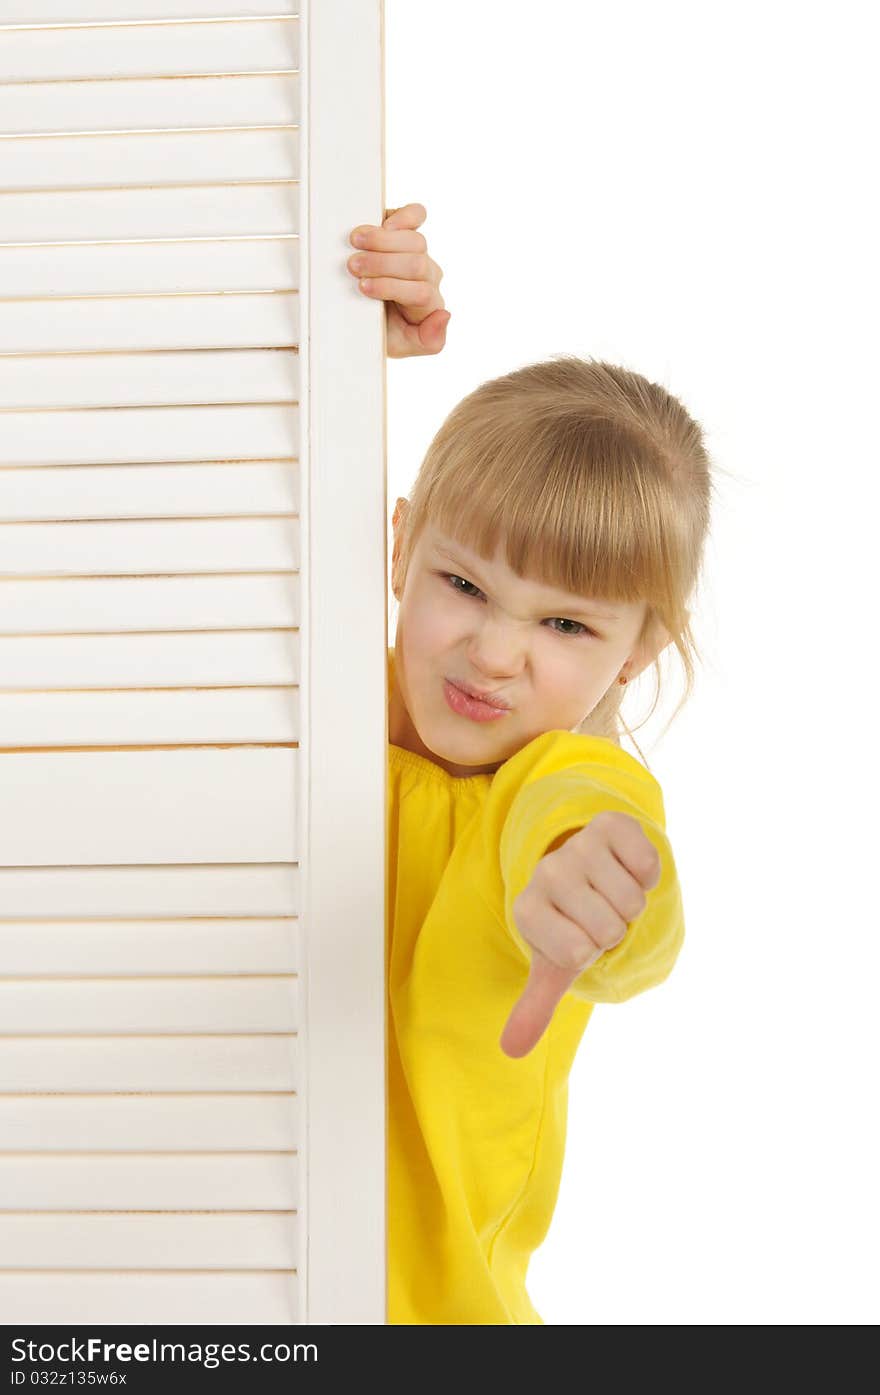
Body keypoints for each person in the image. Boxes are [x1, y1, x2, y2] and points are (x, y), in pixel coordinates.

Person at [347, 204, 713, 1324]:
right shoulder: (308, 711)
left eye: (566, 629)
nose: (493, 653)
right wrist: (320, 337)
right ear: (401, 542)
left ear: (639, 649)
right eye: (462, 586)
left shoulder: (561, 789)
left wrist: (589, 878)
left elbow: (594, 838)